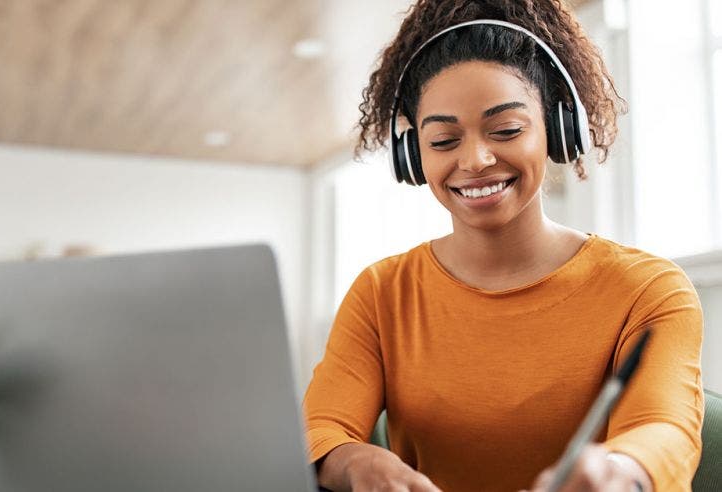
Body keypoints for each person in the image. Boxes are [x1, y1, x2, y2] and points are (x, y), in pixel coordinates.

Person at [302, 1, 705, 491]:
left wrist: (622, 472)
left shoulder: (648, 289)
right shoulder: (382, 293)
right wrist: (357, 464)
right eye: (444, 141)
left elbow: (665, 429)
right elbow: (319, 430)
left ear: (557, 128)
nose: (475, 159)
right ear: (412, 156)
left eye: (507, 130)